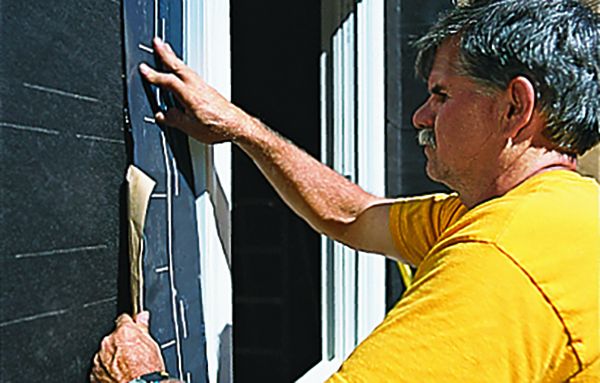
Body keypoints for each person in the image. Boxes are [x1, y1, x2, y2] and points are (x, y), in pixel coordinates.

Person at [91, 0, 600, 381]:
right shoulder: (561, 216)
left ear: (515, 106)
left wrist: (141, 379)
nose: (421, 116)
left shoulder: (500, 259)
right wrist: (241, 128)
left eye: (441, 95)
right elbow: (354, 216)